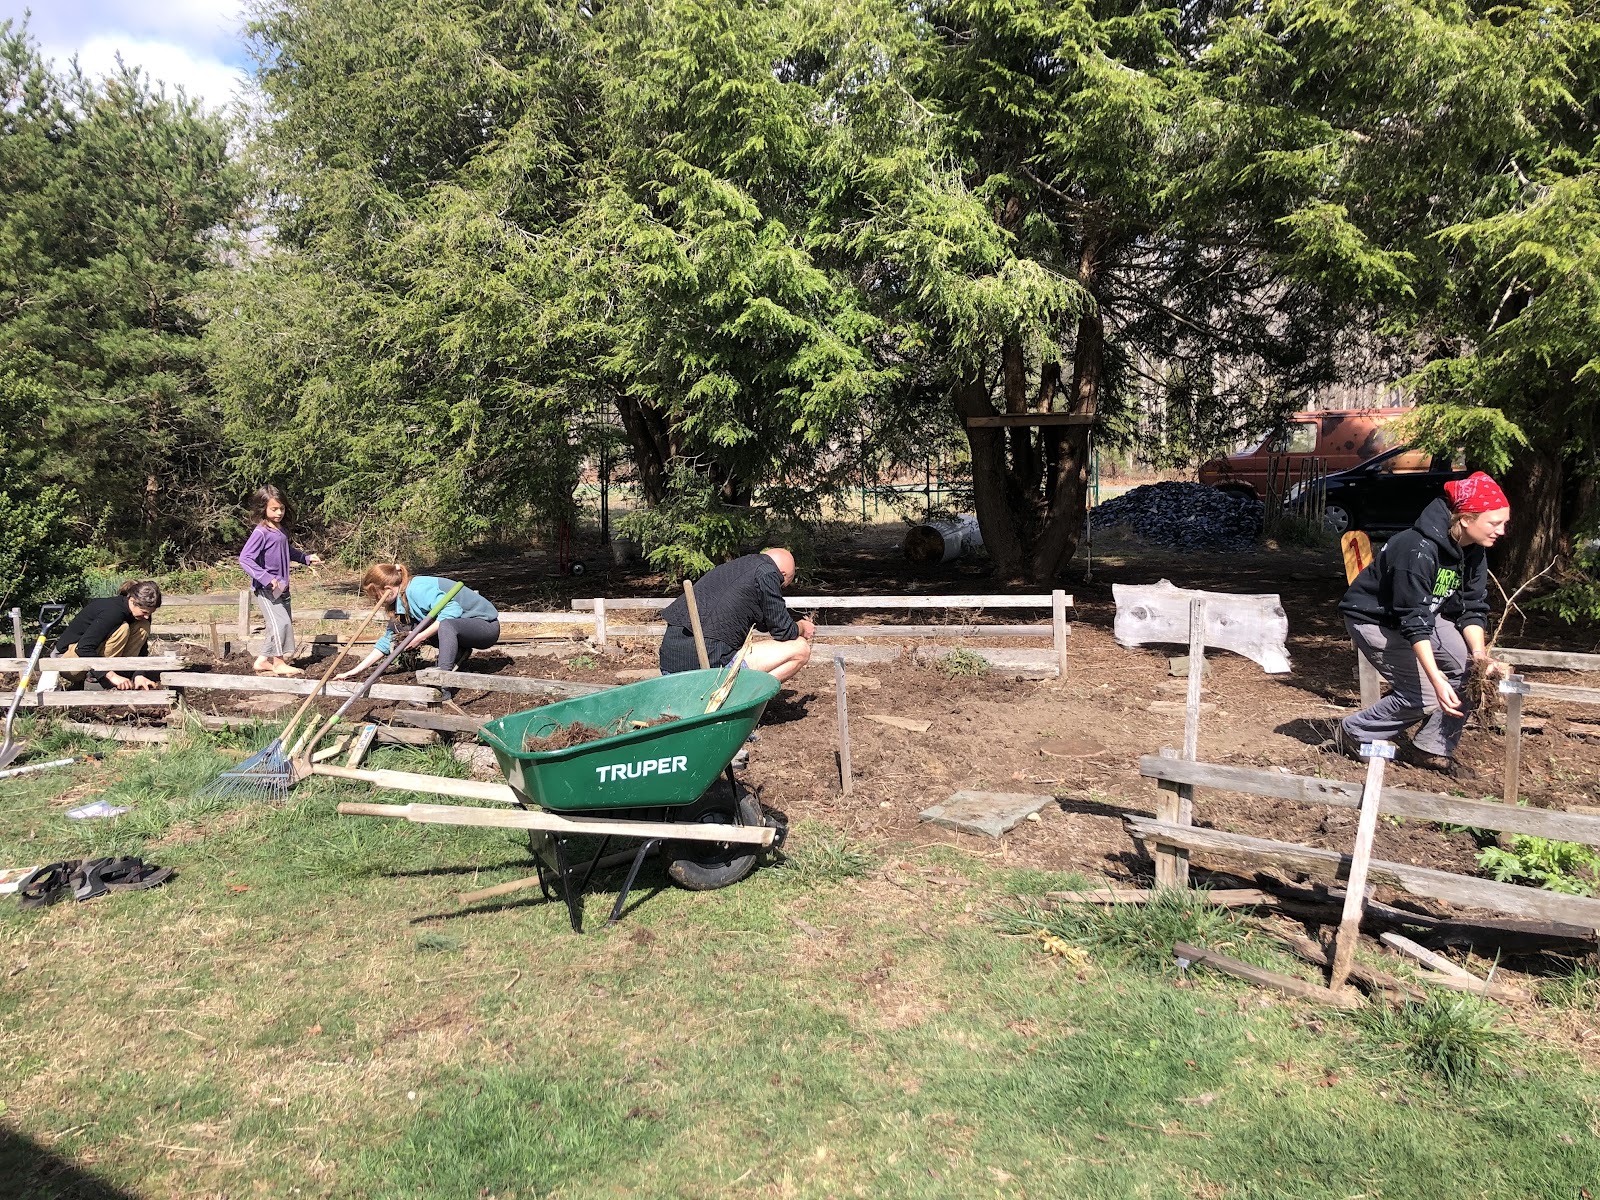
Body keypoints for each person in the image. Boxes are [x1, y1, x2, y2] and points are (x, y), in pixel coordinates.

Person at [1336, 471, 1512, 776]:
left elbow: (1472, 607)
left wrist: (1480, 656)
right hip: (1376, 619)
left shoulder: (1474, 550)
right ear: (1466, 519)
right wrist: (1436, 678)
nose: (1502, 531)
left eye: (1504, 523)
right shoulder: (1417, 548)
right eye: (1495, 523)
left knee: (1472, 672)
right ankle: (1355, 731)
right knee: (1426, 695)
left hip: (1423, 615)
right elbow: (1412, 618)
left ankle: (1431, 748)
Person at [658, 548, 814, 682]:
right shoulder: (767, 572)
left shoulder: (734, 568)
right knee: (800, 649)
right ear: (783, 574)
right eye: (783, 585)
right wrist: (801, 626)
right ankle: (746, 698)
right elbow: (783, 631)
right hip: (710, 669)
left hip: (669, 669)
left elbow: (765, 622)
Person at [335, 563, 500, 685]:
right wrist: (355, 671)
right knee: (405, 629)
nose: (375, 599)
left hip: (485, 627)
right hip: (462, 629)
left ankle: (441, 684)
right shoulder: (400, 601)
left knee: (445, 625)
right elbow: (388, 640)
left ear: (387, 589)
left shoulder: (416, 589)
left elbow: (452, 611)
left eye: (375, 594)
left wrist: (420, 637)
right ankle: (459, 652)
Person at [238, 485, 322, 676]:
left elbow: (287, 551)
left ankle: (262, 661)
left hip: (282, 587)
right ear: (263, 509)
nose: (279, 513)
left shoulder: (280, 530)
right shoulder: (261, 532)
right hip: (266, 589)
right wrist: (266, 578)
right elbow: (245, 559)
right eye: (274, 509)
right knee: (281, 623)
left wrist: (305, 558)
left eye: (281, 508)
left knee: (278, 624)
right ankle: (278, 663)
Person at [43, 581, 164, 691]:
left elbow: (141, 648)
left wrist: (139, 675)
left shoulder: (142, 616)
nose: (147, 616)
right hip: (68, 661)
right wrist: (111, 676)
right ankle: (95, 679)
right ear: (132, 601)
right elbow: (83, 648)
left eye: (150, 613)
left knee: (143, 626)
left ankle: (122, 675)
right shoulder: (113, 612)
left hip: (91, 659)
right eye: (144, 612)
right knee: (122, 629)